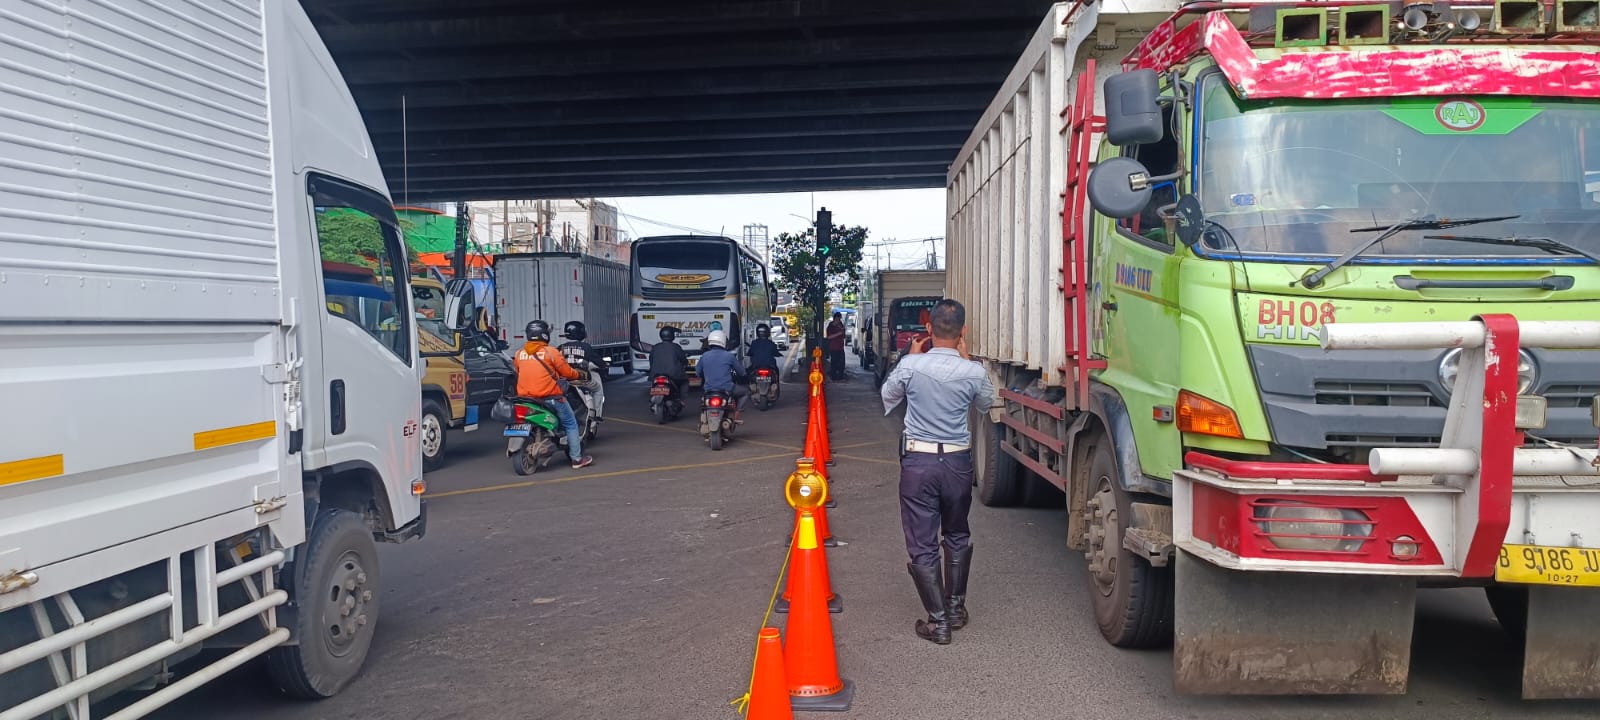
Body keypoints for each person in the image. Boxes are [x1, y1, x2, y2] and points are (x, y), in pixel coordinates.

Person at [880, 299, 995, 645]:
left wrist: (909, 357)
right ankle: (956, 609)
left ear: (928, 329)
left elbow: (888, 397)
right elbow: (987, 405)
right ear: (963, 332)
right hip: (958, 463)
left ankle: (938, 621)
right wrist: (967, 360)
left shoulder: (912, 367)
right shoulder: (973, 372)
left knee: (922, 541)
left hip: (919, 463)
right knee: (957, 534)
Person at [514, 320, 594, 469]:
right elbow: (567, 372)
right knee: (570, 423)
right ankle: (577, 459)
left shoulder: (519, 354)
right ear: (544, 335)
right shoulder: (551, 352)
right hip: (550, 397)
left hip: (526, 398)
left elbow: (518, 371)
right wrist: (577, 374)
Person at [558, 320, 608, 421]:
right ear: (581, 333)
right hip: (582, 380)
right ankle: (597, 414)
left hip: (565, 381)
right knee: (597, 389)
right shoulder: (586, 347)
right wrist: (604, 364)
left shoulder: (560, 348)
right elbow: (599, 362)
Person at [696, 329, 749, 423]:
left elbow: (698, 372)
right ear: (724, 342)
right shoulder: (729, 356)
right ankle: (737, 412)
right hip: (727, 388)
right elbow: (742, 372)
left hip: (709, 390)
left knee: (703, 404)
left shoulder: (705, 356)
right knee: (745, 392)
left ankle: (704, 420)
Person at [648, 326, 689, 395]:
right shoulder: (676, 347)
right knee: (685, 382)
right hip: (674, 375)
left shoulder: (655, 347)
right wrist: (685, 363)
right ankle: (681, 400)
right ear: (672, 336)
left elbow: (651, 360)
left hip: (655, 375)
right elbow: (683, 360)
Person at [825, 312, 848, 380]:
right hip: (833, 347)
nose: (839, 320)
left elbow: (843, 335)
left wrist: (843, 332)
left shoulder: (841, 325)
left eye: (840, 319)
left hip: (840, 347)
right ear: (835, 319)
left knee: (841, 363)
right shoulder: (831, 326)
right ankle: (833, 376)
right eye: (838, 319)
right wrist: (839, 333)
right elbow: (829, 337)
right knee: (834, 363)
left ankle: (840, 377)